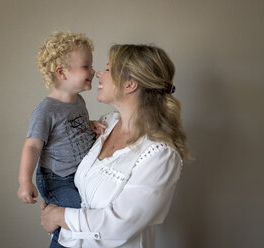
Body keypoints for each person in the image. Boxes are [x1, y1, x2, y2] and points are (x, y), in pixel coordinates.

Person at [40, 44, 191, 248]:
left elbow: (119, 224)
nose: (98, 74)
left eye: (108, 69)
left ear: (130, 84)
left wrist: (59, 216)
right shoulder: (106, 123)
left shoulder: (160, 154)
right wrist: (55, 200)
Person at [17, 30, 105, 248]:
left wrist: (89, 125)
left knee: (87, 216)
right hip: (57, 179)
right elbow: (32, 145)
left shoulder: (78, 101)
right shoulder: (46, 110)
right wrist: (24, 181)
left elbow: (69, 129)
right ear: (62, 72)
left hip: (78, 175)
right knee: (72, 219)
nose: (93, 71)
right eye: (86, 66)